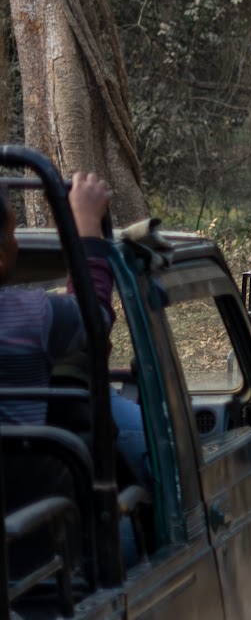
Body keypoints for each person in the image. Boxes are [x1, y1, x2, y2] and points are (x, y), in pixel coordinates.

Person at [0, 173, 148, 479]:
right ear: (0, 258)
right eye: (13, 234)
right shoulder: (31, 314)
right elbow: (95, 315)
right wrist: (87, 228)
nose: (17, 243)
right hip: (28, 496)